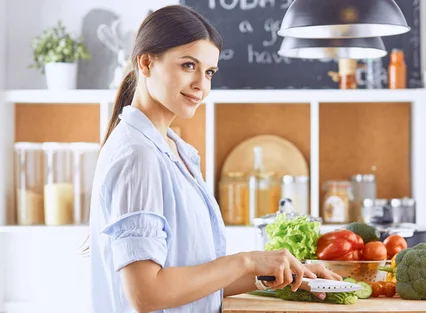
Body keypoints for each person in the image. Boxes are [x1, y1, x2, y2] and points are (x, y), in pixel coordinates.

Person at [87, 5, 341, 313]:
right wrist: (245, 260)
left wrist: (276, 273)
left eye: (209, 72)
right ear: (146, 63)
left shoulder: (174, 150)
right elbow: (147, 293)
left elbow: (191, 283)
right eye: (188, 65)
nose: (201, 85)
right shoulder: (137, 155)